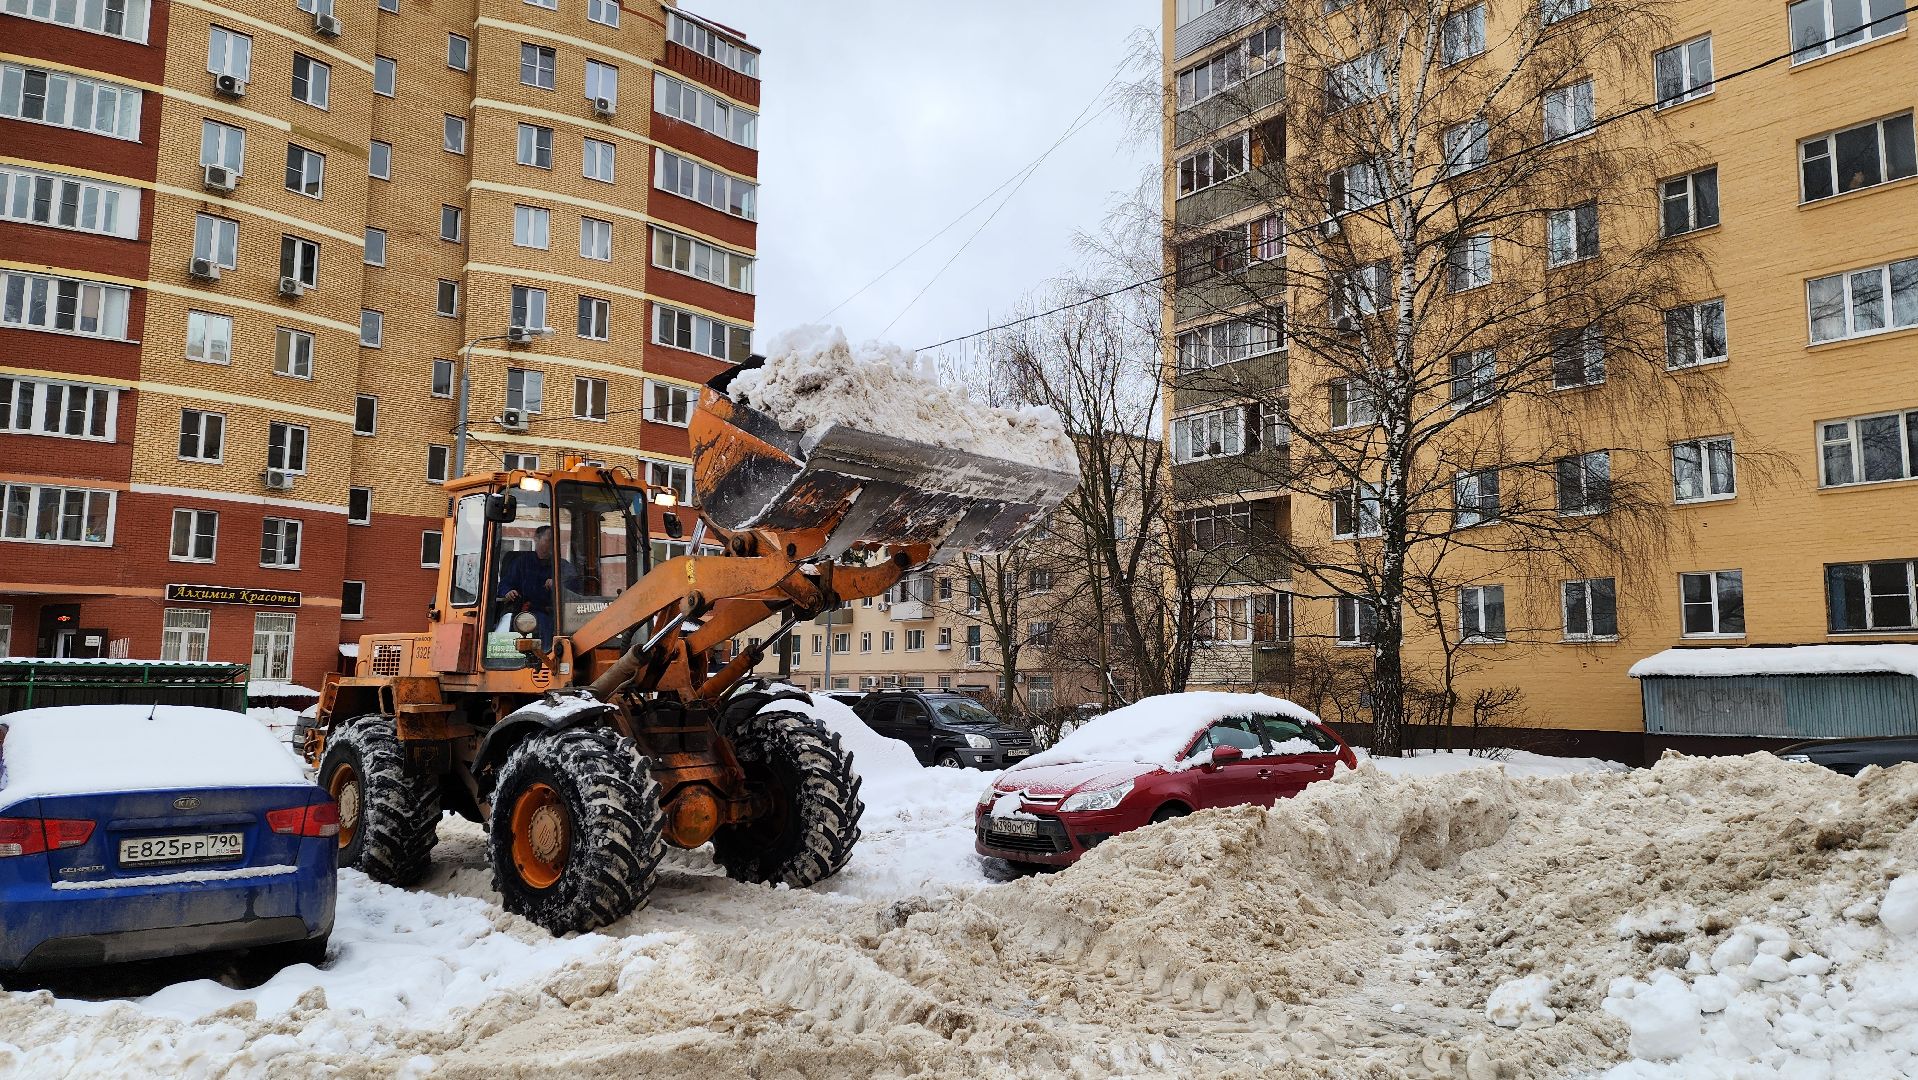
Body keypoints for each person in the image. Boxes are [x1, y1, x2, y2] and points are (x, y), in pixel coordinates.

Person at [497, 525, 579, 644]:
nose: (552, 544)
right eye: (549, 540)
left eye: (555, 541)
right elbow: (505, 583)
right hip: (524, 614)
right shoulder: (521, 562)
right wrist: (508, 591)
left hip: (555, 615)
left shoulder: (562, 565)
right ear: (536, 539)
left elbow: (575, 587)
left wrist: (558, 583)